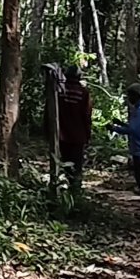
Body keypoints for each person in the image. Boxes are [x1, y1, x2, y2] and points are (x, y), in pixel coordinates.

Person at [109, 84, 140, 217]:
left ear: (136, 96)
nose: (128, 98)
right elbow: (135, 128)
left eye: (130, 95)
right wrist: (120, 124)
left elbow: (133, 130)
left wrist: (115, 129)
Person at [55, 66, 94, 200]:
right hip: (78, 136)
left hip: (61, 135)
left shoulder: (59, 91)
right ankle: (75, 195)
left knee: (64, 163)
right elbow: (87, 116)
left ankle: (64, 194)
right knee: (76, 166)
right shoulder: (83, 93)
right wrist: (88, 134)